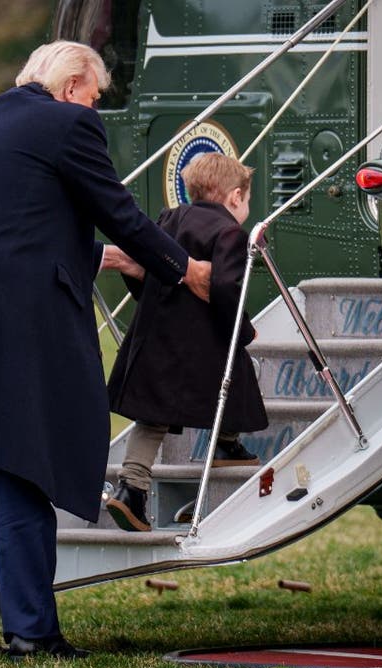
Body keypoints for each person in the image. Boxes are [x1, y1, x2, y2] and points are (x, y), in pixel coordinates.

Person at [0, 41, 213, 661]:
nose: (96, 109)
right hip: (8, 308)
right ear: (73, 83)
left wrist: (92, 254)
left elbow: (14, 216)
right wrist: (184, 269)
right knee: (21, 455)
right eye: (96, 96)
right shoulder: (67, 121)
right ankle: (30, 630)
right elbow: (119, 211)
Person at [105, 152, 269, 532]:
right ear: (234, 198)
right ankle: (227, 442)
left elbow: (146, 272)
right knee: (239, 377)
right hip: (201, 347)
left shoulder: (168, 219)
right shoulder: (231, 234)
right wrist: (243, 332)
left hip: (156, 340)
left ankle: (131, 489)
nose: (245, 207)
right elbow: (227, 292)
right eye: (246, 200)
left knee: (152, 418)